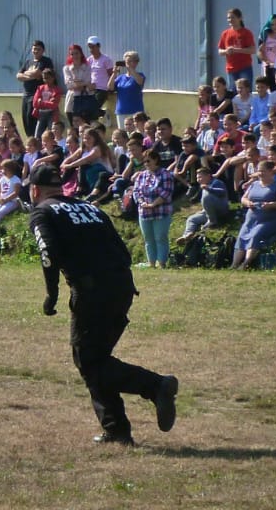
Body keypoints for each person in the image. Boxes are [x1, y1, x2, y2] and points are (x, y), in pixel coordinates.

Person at [28, 162, 177, 444]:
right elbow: (121, 248)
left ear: (35, 190)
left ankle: (156, 385)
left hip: (92, 291)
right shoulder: (91, 208)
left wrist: (52, 295)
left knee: (88, 361)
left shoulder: (43, 211)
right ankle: (116, 430)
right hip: (122, 286)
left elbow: (48, 253)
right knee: (96, 360)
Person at [217, 8, 256, 93]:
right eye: (228, 18)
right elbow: (220, 51)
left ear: (240, 18)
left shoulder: (246, 33)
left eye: (233, 17)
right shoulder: (225, 33)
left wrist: (236, 50)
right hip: (231, 68)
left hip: (245, 67)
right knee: (233, 92)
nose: (230, 20)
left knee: (246, 91)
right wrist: (226, 51)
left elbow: (252, 50)